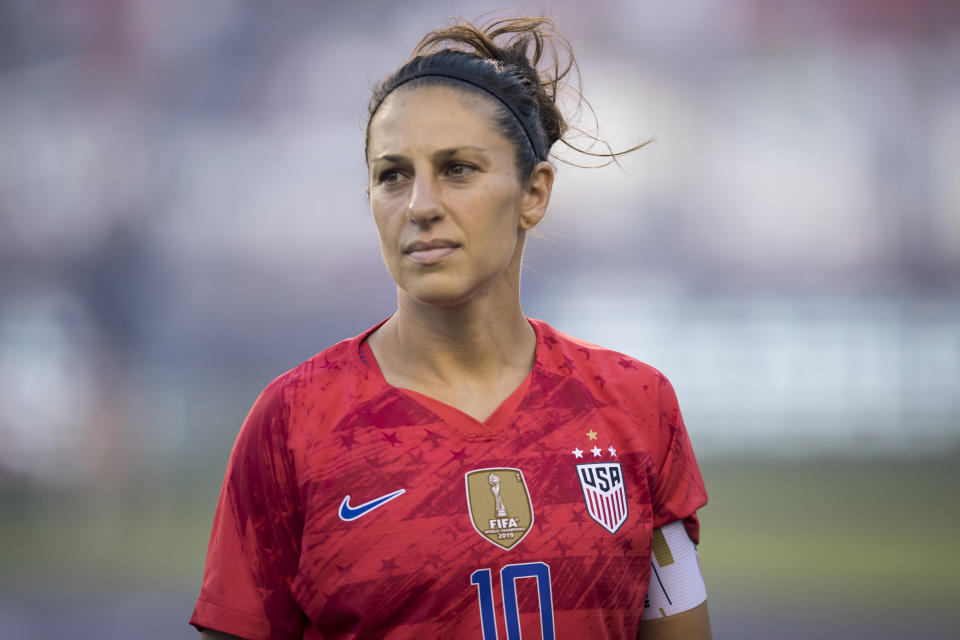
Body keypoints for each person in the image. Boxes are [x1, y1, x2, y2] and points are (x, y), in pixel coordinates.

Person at [190, 16, 710, 640]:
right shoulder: (293, 423)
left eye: (458, 168)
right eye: (393, 175)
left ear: (534, 194)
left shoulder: (636, 405)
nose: (421, 205)